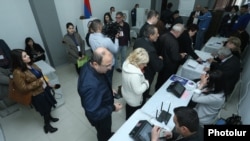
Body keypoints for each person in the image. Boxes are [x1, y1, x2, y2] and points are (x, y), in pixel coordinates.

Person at [77, 47, 122, 141]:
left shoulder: (88, 64)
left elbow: (101, 81)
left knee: (106, 131)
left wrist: (109, 89)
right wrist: (113, 108)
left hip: (103, 106)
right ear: (95, 64)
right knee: (103, 133)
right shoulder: (90, 87)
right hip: (101, 116)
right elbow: (94, 114)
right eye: (107, 65)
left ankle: (108, 134)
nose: (110, 68)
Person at [11, 49, 58, 134]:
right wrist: (39, 82)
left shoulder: (30, 64)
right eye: (25, 56)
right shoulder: (17, 72)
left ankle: (50, 117)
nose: (28, 56)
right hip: (37, 94)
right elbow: (23, 88)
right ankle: (47, 125)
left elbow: (40, 74)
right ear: (19, 60)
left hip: (44, 89)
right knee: (45, 110)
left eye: (27, 54)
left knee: (50, 105)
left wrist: (47, 82)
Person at [133, 25, 163, 104]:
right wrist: (160, 60)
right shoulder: (150, 50)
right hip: (146, 74)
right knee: (144, 90)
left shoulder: (138, 40)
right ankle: (141, 104)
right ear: (151, 35)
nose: (158, 35)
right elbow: (157, 67)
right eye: (156, 34)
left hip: (137, 69)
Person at [155, 24, 186, 91]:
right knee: (165, 82)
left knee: (159, 80)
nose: (180, 35)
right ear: (177, 32)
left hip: (161, 63)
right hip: (169, 66)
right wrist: (181, 55)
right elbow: (175, 57)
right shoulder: (174, 42)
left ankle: (156, 91)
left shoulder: (163, 36)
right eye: (181, 33)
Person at [121, 48, 149, 119]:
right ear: (138, 62)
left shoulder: (126, 64)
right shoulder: (135, 75)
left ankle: (127, 119)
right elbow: (138, 91)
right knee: (133, 115)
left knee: (129, 109)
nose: (145, 65)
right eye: (144, 63)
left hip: (126, 93)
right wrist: (146, 83)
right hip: (134, 100)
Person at [88, 19, 119, 83]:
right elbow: (115, 50)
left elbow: (100, 37)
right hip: (108, 63)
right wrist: (116, 39)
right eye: (102, 25)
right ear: (99, 27)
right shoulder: (107, 40)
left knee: (102, 79)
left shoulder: (90, 37)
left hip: (98, 61)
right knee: (108, 79)